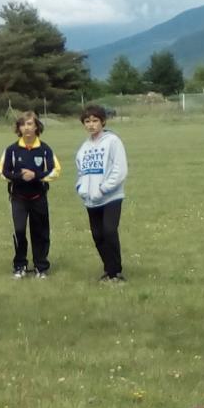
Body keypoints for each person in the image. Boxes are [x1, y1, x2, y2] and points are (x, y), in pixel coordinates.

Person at [0, 110, 60, 278]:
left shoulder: (45, 149)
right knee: (19, 231)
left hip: (38, 197)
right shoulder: (11, 150)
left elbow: (55, 171)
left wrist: (36, 176)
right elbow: (3, 171)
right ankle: (20, 266)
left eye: (30, 124)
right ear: (19, 128)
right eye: (23, 125)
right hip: (18, 198)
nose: (26, 128)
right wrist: (20, 177)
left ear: (36, 127)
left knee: (40, 232)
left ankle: (41, 267)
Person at [74, 104, 128, 282]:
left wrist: (103, 189)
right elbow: (82, 172)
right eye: (87, 121)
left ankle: (116, 272)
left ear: (103, 121)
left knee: (109, 231)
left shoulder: (112, 141)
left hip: (111, 197)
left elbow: (120, 170)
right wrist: (82, 189)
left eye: (95, 121)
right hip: (91, 200)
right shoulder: (84, 147)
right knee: (98, 235)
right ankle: (109, 269)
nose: (91, 125)